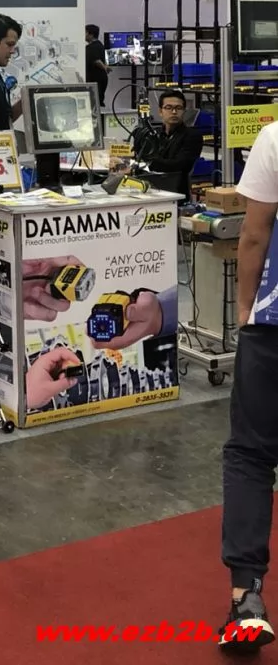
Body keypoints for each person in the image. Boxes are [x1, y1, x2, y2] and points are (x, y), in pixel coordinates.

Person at [218, 120, 278, 652]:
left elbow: (254, 233)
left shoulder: (275, 138)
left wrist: (245, 308)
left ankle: (247, 598)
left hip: (274, 322)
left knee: (252, 454)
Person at [131, 89, 203, 201]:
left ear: (184, 111)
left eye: (178, 108)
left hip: (176, 194)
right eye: (168, 107)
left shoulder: (192, 136)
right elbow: (139, 157)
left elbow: (179, 165)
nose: (174, 112)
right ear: (160, 111)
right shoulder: (154, 134)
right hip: (150, 191)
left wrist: (147, 162)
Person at [85, 24, 109, 108]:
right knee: (97, 100)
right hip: (100, 78)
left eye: (85, 32)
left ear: (91, 34)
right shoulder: (99, 45)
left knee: (95, 101)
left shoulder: (92, 47)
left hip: (96, 79)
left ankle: (98, 116)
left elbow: (97, 60)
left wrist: (104, 67)